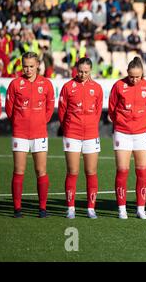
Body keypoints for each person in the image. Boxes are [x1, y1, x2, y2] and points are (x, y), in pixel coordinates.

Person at [5, 52, 55, 218]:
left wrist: (40, 121)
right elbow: (10, 109)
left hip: (39, 133)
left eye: (31, 66)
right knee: (19, 170)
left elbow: (49, 109)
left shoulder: (46, 84)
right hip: (20, 133)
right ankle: (17, 209)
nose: (28, 69)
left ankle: (42, 208)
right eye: (25, 66)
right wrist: (20, 122)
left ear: (38, 65)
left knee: (41, 170)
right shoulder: (15, 84)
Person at [108, 57, 146, 219]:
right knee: (122, 171)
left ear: (142, 74)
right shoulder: (118, 86)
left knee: (142, 172)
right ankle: (122, 209)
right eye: (131, 76)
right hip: (122, 133)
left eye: (138, 76)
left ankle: (140, 209)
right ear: (127, 73)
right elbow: (112, 110)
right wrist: (123, 123)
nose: (134, 80)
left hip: (142, 134)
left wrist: (139, 122)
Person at [58, 57, 103, 219]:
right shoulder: (68, 87)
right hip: (72, 134)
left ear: (90, 71)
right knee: (73, 171)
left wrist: (90, 125)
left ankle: (91, 208)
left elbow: (98, 112)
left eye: (86, 72)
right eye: (80, 71)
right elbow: (62, 112)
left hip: (91, 134)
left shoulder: (97, 88)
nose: (82, 74)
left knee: (91, 171)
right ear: (75, 70)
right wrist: (69, 127)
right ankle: (70, 207)